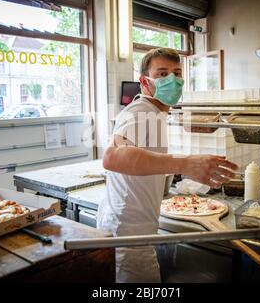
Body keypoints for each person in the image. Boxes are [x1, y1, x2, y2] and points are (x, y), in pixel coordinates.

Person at [97, 48, 238, 283]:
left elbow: (143, 159)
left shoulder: (155, 113)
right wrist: (185, 164)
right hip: (128, 234)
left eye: (176, 73)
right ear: (144, 81)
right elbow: (113, 158)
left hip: (133, 228)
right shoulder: (141, 113)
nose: (172, 80)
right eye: (162, 74)